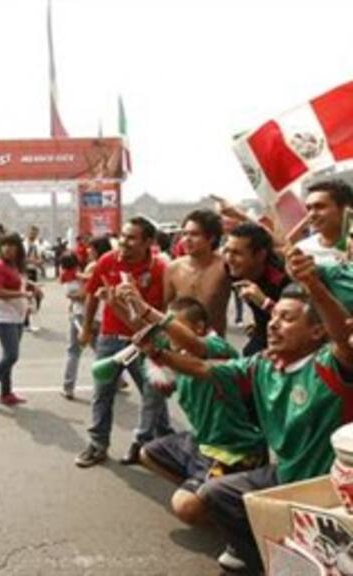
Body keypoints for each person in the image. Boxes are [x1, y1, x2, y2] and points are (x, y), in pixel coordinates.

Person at [140, 253, 353, 573]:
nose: (274, 325)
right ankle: (257, 557)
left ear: (316, 332)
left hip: (331, 487)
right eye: (274, 317)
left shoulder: (331, 366)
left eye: (287, 319)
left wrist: (314, 285)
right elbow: (203, 368)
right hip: (284, 475)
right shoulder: (261, 364)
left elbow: (343, 338)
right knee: (216, 492)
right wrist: (160, 354)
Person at [121, 295, 266, 528]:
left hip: (232, 450)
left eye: (174, 326)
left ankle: (225, 508)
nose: (168, 333)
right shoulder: (178, 355)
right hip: (201, 443)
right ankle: (205, 493)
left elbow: (196, 348)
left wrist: (147, 310)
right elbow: (147, 339)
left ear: (199, 327)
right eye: (166, 328)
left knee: (184, 506)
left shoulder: (218, 348)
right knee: (147, 453)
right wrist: (120, 305)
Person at [75, 217, 172, 467]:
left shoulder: (160, 269)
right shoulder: (107, 261)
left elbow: (162, 309)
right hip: (110, 339)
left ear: (148, 242)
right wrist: (86, 329)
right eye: (123, 236)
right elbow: (92, 296)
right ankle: (97, 444)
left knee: (152, 396)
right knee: (102, 393)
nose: (124, 242)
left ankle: (151, 444)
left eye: (131, 238)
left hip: (145, 341)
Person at [0, 233, 38, 409]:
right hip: (2, 316)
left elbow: (18, 281)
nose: (7, 249)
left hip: (16, 315)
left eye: (11, 245)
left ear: (18, 248)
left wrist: (31, 287)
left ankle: (6, 393)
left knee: (8, 357)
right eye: (4, 245)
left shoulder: (15, 265)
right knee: (11, 355)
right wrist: (22, 294)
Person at [224, 222, 290, 355]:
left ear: (260, 255)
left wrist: (265, 303)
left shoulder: (283, 277)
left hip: (290, 340)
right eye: (227, 251)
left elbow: (301, 324)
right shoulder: (232, 269)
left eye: (237, 253)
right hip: (262, 334)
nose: (229, 259)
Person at [164, 209, 231, 336]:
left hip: (213, 343)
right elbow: (165, 309)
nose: (187, 239)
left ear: (211, 238)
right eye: (184, 234)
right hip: (180, 340)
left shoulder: (225, 267)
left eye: (194, 234)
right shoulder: (173, 268)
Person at [61, 237, 112, 400]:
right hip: (99, 314)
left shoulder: (93, 266)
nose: (88, 251)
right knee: (101, 350)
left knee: (74, 351)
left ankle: (68, 386)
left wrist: (72, 296)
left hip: (85, 314)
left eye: (91, 248)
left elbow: (85, 294)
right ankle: (115, 380)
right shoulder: (110, 265)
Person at [295, 179, 353, 264]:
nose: (311, 214)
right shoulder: (302, 250)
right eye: (308, 209)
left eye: (320, 207)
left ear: (345, 209)